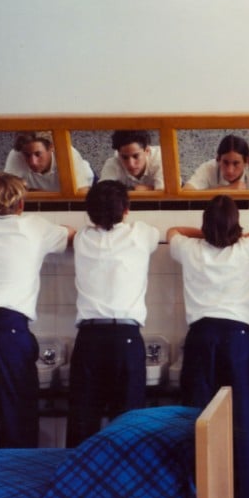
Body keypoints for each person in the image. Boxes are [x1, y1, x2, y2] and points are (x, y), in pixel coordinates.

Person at [167, 196, 249, 498]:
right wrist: (238, 236)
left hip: (201, 341)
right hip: (238, 341)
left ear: (204, 225)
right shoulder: (247, 249)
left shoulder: (189, 249)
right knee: (243, 430)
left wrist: (205, 235)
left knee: (197, 430)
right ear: (237, 225)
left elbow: (172, 230)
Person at [0, 172, 75, 449]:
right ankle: (13, 482)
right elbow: (69, 233)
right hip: (7, 328)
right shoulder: (34, 227)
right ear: (21, 205)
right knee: (17, 411)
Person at [66, 180, 159, 448]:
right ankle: (125, 486)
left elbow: (70, 233)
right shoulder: (141, 234)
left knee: (83, 421)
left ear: (90, 213)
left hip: (89, 338)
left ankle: (77, 486)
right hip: (125, 337)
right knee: (128, 423)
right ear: (127, 209)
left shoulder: (82, 238)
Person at [3, 130, 94, 194]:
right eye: (27, 155)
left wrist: (30, 191)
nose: (33, 162)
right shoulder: (17, 154)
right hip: (52, 192)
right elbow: (6, 191)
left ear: (51, 147)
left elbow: (81, 195)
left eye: (38, 154)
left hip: (84, 185)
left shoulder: (68, 153)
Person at [184, 134, 249, 191]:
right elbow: (186, 192)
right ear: (218, 159)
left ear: (246, 161)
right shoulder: (209, 168)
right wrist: (229, 189)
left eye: (236, 164)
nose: (230, 170)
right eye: (225, 162)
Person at [99, 129, 164, 191]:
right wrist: (134, 189)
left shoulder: (162, 158)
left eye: (136, 156)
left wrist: (122, 190)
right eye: (125, 157)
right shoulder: (113, 163)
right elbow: (103, 193)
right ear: (118, 154)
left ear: (147, 151)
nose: (131, 164)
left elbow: (166, 194)